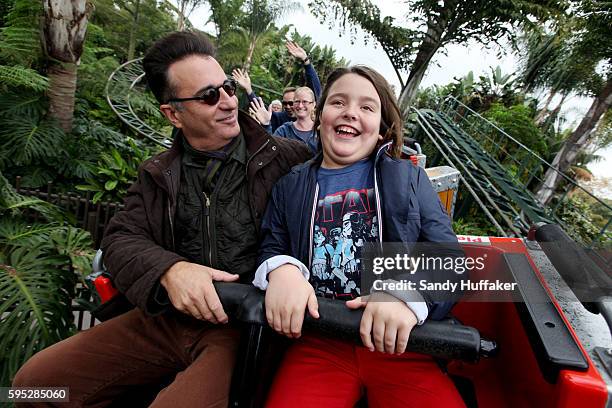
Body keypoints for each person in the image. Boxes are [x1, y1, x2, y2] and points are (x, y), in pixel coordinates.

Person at [12, 31, 311, 407]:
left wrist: (399, 295)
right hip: (169, 320)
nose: (228, 102)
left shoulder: (288, 161)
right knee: (31, 386)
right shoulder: (158, 172)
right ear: (173, 113)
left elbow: (370, 207)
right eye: (209, 96)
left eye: (228, 88)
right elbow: (120, 239)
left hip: (244, 326)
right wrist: (171, 270)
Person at [252, 65, 465, 407]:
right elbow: (272, 244)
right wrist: (282, 271)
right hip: (321, 336)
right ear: (321, 117)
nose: (350, 112)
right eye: (338, 102)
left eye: (366, 107)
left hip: (400, 341)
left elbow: (448, 259)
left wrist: (406, 297)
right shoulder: (291, 185)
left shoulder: (409, 179)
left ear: (381, 129)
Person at [232, 41, 321, 133]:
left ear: (312, 104)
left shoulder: (317, 129)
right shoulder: (282, 128)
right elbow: (261, 108)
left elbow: (316, 92)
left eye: (291, 103)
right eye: (285, 103)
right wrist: (248, 89)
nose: (288, 107)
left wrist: (306, 61)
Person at [273, 86, 317, 152]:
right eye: (297, 101)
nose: (300, 106)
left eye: (305, 102)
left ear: (313, 104)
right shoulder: (284, 131)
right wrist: (266, 125)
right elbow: (271, 149)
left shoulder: (320, 131)